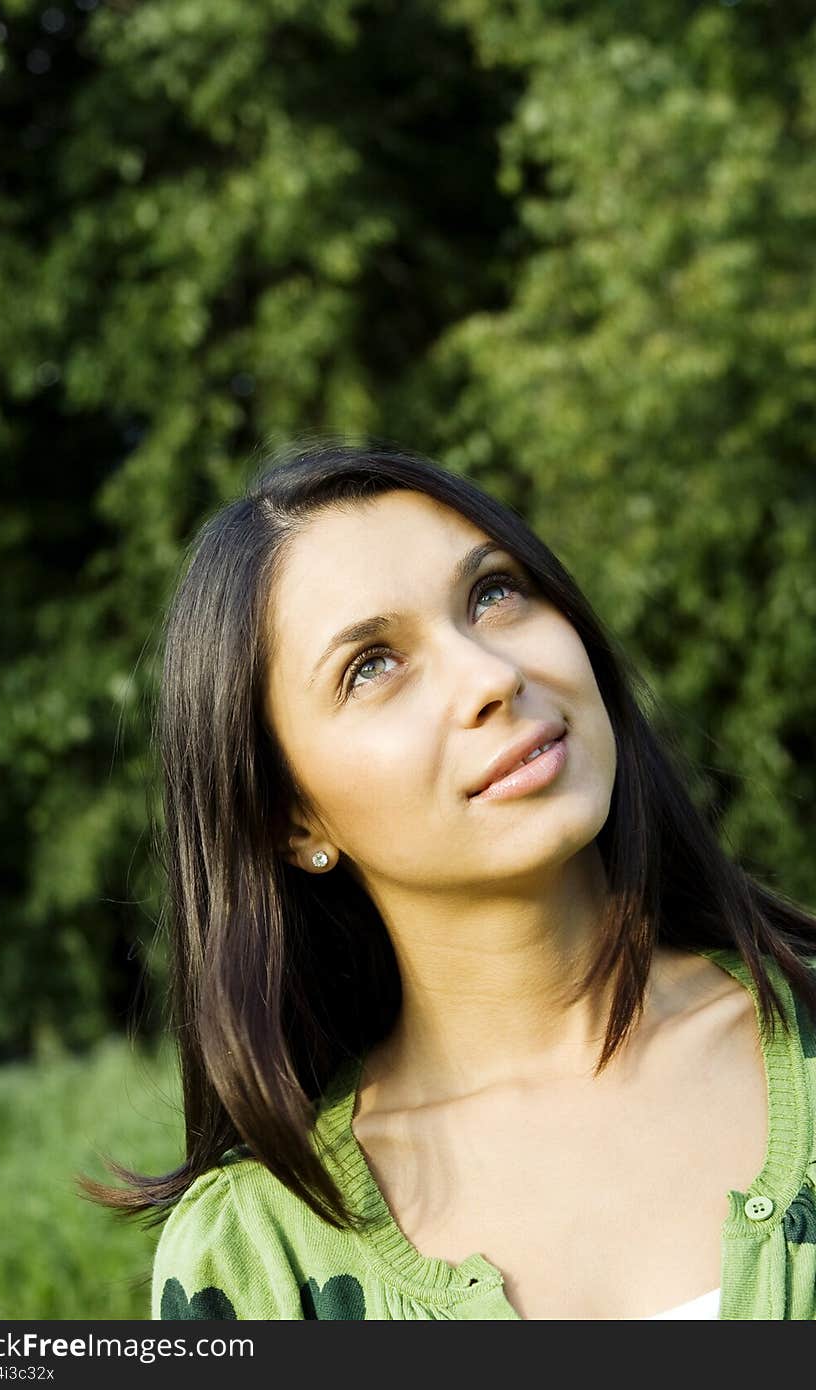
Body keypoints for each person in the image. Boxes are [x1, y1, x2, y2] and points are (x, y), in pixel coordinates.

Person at [83, 439, 816, 1320]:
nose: (492, 677)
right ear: (292, 819)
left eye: (494, 593)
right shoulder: (258, 1263)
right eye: (373, 666)